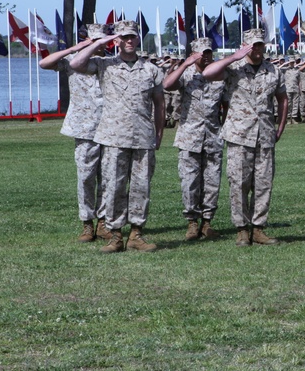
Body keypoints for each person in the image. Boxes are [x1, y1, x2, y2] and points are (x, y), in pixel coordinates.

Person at [70, 20, 165, 253]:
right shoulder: (105, 65)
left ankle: (136, 234)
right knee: (114, 188)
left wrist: (159, 133)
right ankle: (115, 235)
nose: (129, 41)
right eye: (124, 37)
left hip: (143, 137)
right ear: (117, 41)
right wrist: (99, 43)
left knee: (141, 188)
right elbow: (76, 63)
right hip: (113, 138)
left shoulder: (151, 69)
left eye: (132, 36)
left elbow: (159, 103)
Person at [203, 28, 288, 247]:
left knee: (263, 183)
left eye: (260, 44)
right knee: (239, 182)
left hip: (265, 135)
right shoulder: (233, 69)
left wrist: (280, 127)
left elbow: (282, 99)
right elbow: (208, 73)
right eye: (253, 45)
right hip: (239, 135)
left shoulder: (273, 71)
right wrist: (233, 56)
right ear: (245, 45)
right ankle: (241, 229)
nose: (257, 49)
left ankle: (258, 228)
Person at [39, 23, 112, 243]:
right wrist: (75, 48)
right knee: (86, 177)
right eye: (95, 41)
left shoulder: (111, 62)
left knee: (109, 178)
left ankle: (104, 223)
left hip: (110, 127)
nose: (99, 46)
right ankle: (87, 224)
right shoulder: (72, 61)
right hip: (84, 127)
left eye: (102, 41)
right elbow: (45, 63)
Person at [162, 37, 226, 241]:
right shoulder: (186, 74)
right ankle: (192, 222)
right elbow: (167, 85)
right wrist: (184, 65)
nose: (206, 56)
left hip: (213, 136)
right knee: (190, 182)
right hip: (189, 136)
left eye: (209, 52)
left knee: (212, 181)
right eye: (202, 53)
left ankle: (207, 223)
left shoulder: (219, 76)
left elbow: (226, 104)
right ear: (193, 54)